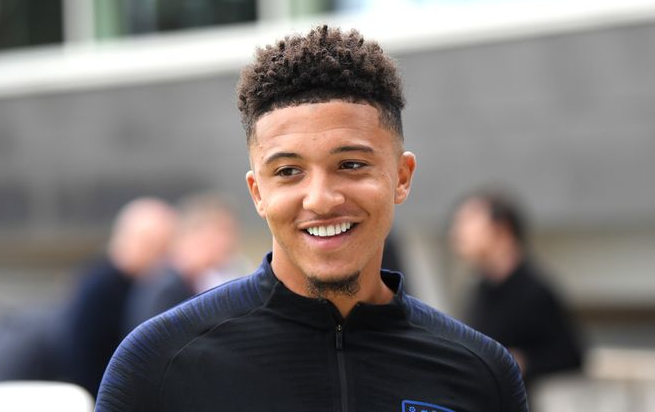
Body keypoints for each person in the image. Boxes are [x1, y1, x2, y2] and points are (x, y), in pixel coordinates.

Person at [97, 25, 527, 412]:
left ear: (401, 176)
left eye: (352, 165)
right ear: (258, 193)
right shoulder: (158, 364)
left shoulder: (481, 373)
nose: (320, 200)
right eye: (288, 172)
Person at [450, 188, 584, 388]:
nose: (457, 232)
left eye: (468, 221)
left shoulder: (533, 292)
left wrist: (520, 361)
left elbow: (570, 355)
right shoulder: (481, 289)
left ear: (501, 229)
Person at [60, 197, 176, 396]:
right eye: (157, 247)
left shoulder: (143, 284)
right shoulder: (99, 287)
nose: (162, 258)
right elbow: (84, 360)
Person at [123, 193, 247, 333]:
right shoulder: (165, 286)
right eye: (224, 231)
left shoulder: (194, 280)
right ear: (197, 232)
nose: (230, 242)